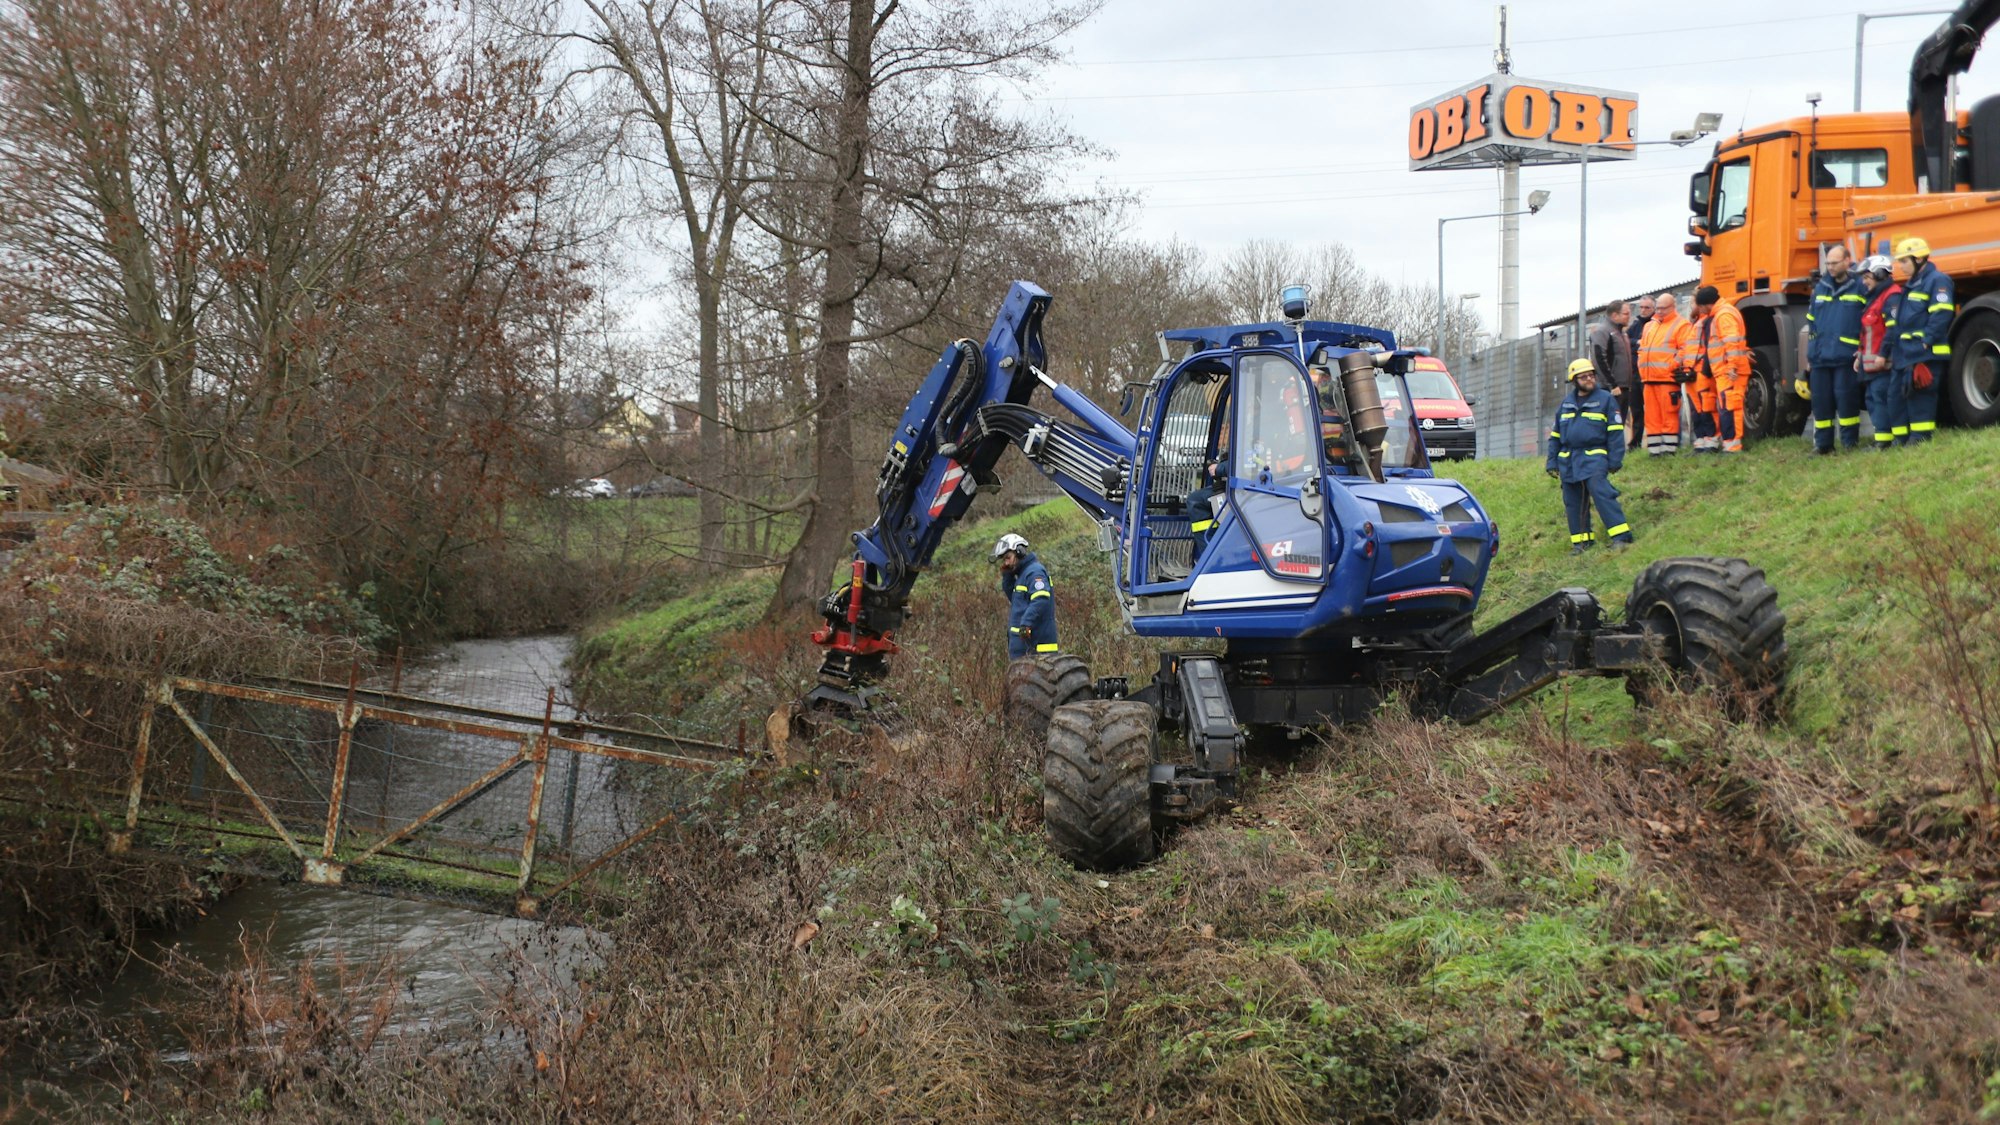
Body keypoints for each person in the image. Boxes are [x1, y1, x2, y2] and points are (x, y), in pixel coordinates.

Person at [1546, 357, 1632, 553]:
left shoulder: (1605, 399)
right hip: (1568, 461)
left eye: (1591, 375)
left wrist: (1615, 459)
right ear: (1574, 380)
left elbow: (1615, 432)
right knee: (1573, 503)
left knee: (1603, 496)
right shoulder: (1566, 403)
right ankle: (1582, 542)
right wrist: (1552, 462)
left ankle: (1621, 537)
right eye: (1583, 377)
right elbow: (1556, 436)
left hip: (1594, 458)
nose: (1588, 379)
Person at [1803, 245, 1867, 453]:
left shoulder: (1860, 287)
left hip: (1846, 356)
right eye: (1828, 263)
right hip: (1820, 357)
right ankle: (1823, 445)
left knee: (1846, 401)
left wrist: (1862, 349)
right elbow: (1812, 324)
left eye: (1834, 263)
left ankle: (1849, 444)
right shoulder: (1820, 288)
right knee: (1821, 403)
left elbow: (1868, 322)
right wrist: (1810, 355)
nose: (1830, 267)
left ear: (1847, 261)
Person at [1892, 236, 1954, 444]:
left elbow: (1942, 314)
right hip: (1909, 352)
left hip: (1927, 352)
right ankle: (1904, 439)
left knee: (1922, 396)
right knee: (1904, 395)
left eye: (1904, 261)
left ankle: (1920, 438)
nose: (1901, 266)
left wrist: (1926, 340)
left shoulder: (1937, 280)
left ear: (1918, 259)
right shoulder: (1912, 284)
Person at [1689, 285, 1750, 453]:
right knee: (1727, 406)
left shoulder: (1723, 315)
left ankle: (1733, 446)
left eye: (1700, 306)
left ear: (1705, 305)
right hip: (1726, 370)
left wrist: (1732, 366)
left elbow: (1731, 342)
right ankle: (1730, 444)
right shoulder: (1723, 313)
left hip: (1730, 371)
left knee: (1730, 407)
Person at [1636, 292, 1695, 456]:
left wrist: (1672, 365)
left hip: (1667, 379)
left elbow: (1685, 349)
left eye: (1663, 308)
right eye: (1658, 308)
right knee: (1652, 417)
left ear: (1672, 307)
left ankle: (1669, 451)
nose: (1659, 311)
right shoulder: (1650, 325)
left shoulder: (1681, 325)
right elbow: (1643, 349)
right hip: (1648, 379)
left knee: (1669, 416)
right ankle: (1654, 452)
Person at [1855, 254, 1904, 450]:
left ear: (1880, 274)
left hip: (1883, 364)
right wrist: (1859, 355)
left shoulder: (1891, 296)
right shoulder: (1875, 298)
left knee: (1881, 399)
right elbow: (1867, 333)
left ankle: (1884, 441)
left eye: (1867, 277)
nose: (1864, 282)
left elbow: (1891, 330)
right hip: (1872, 364)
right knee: (1874, 400)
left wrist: (1883, 355)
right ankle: (1882, 439)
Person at [993, 532, 1058, 659]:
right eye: (1003, 559)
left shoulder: (1034, 572)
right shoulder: (1022, 575)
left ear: (1020, 552)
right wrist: (1007, 576)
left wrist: (1026, 623)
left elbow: (1041, 599)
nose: (1006, 563)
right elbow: (1017, 601)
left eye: (1008, 557)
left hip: (1037, 650)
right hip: (1023, 650)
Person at [1589, 299, 1638, 435]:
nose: (1629, 316)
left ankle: (1615, 454)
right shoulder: (1603, 332)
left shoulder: (1622, 333)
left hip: (1623, 387)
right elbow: (1599, 359)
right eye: (1626, 314)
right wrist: (1612, 385)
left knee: (1618, 425)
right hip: (1610, 388)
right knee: (1608, 424)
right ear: (1615, 315)